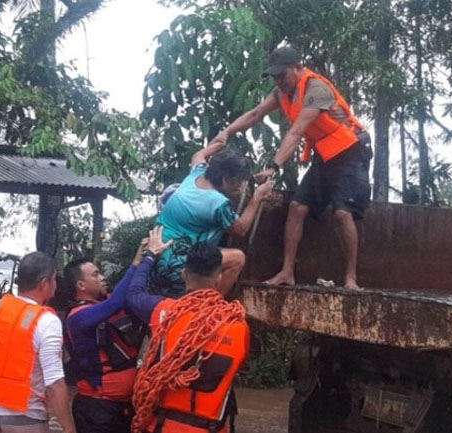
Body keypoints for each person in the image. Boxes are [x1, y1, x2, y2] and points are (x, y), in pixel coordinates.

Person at [209, 46, 371, 290]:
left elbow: (296, 132)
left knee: (342, 213)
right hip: (325, 153)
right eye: (275, 77)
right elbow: (255, 114)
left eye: (282, 75)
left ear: (298, 68)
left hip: (350, 152)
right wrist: (227, 132)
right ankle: (287, 272)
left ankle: (351, 279)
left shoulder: (317, 89)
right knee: (297, 207)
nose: (279, 81)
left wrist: (273, 166)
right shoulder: (280, 93)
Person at [125, 227, 250, 433]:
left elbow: (133, 294)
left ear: (184, 274)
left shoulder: (164, 313)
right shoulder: (238, 325)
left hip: (162, 427)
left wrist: (149, 256)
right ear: (219, 279)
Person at [0, 252, 76, 433]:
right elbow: (54, 383)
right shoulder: (46, 320)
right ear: (44, 283)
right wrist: (69, 428)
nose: (56, 284)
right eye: (54, 279)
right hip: (25, 415)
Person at [153, 147, 274, 298]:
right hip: (177, 268)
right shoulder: (217, 203)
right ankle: (208, 307)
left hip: (156, 257)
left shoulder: (197, 173)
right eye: (238, 182)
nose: (239, 187)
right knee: (237, 258)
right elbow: (241, 229)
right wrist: (257, 197)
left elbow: (198, 154)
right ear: (225, 179)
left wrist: (221, 139)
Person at [63, 240, 149, 433]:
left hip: (122, 407)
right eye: (95, 274)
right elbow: (116, 302)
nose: (102, 278)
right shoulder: (78, 317)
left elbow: (131, 297)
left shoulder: (106, 304)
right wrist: (138, 262)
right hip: (96, 409)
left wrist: (149, 260)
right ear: (81, 285)